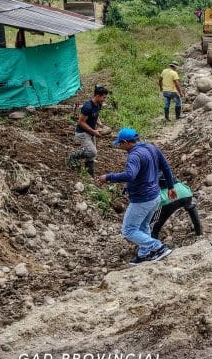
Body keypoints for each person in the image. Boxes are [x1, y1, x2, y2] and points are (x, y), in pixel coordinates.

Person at [97, 128, 176, 265]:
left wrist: (108, 177)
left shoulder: (134, 156)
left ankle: (157, 247)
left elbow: (130, 175)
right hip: (155, 195)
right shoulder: (151, 147)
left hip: (142, 199)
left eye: (120, 144)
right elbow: (166, 166)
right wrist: (171, 187)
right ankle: (144, 254)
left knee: (128, 230)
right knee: (143, 225)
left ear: (126, 142)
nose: (121, 147)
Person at [68, 85, 110, 176]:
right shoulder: (87, 107)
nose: (104, 99)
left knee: (92, 155)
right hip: (82, 133)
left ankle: (90, 174)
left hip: (90, 132)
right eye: (104, 97)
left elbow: (96, 115)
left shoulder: (98, 104)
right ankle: (73, 156)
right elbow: (81, 122)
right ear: (97, 96)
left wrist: (100, 124)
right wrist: (93, 131)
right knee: (92, 151)